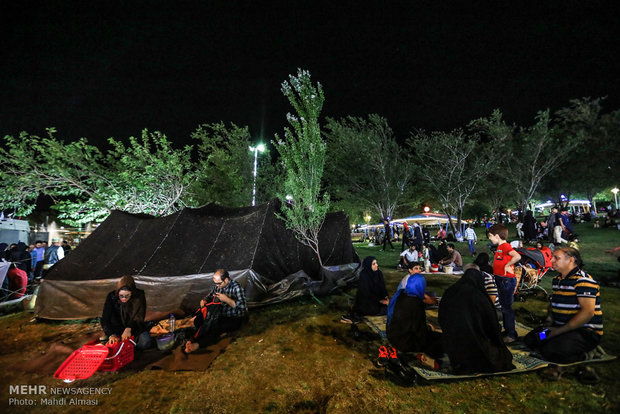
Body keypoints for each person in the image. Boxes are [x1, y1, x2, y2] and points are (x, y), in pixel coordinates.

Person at [524, 247, 603, 381]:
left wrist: (557, 331)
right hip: (560, 329)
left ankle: (579, 357)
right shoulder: (558, 280)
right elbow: (554, 304)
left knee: (552, 348)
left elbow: (587, 312)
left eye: (556, 258)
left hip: (584, 332)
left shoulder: (583, 281)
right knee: (534, 338)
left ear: (571, 260)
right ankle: (569, 349)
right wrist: (549, 324)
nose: (551, 260)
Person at [439, 268, 514, 374]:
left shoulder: (450, 292)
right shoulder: (480, 298)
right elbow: (491, 325)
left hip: (454, 344)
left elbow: (441, 316)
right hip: (476, 346)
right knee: (502, 358)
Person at [387, 263, 442, 358]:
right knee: (439, 340)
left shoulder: (401, 294)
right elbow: (418, 330)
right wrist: (427, 331)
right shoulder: (416, 303)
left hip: (392, 335)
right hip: (404, 342)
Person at [185, 269, 248, 353]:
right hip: (219, 314)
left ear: (226, 280)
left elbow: (243, 308)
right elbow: (209, 296)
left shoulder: (236, 288)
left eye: (219, 283)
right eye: (215, 283)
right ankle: (191, 339)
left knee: (215, 328)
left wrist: (227, 300)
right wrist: (204, 300)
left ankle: (197, 345)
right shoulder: (218, 287)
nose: (217, 285)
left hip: (234, 317)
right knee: (201, 321)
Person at [488, 223, 522, 343]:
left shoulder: (505, 246)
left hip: (506, 280)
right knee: (504, 307)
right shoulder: (500, 247)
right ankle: (508, 331)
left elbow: (517, 256)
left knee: (507, 308)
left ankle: (511, 335)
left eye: (491, 236)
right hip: (501, 279)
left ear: (497, 236)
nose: (490, 238)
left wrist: (508, 265)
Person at [101, 275, 152, 350]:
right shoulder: (112, 297)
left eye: (127, 296)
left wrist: (129, 328)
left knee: (145, 342)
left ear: (132, 293)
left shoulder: (138, 296)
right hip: (116, 329)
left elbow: (139, 317)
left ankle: (129, 347)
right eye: (121, 296)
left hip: (134, 328)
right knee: (111, 345)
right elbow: (105, 318)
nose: (124, 298)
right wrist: (111, 334)